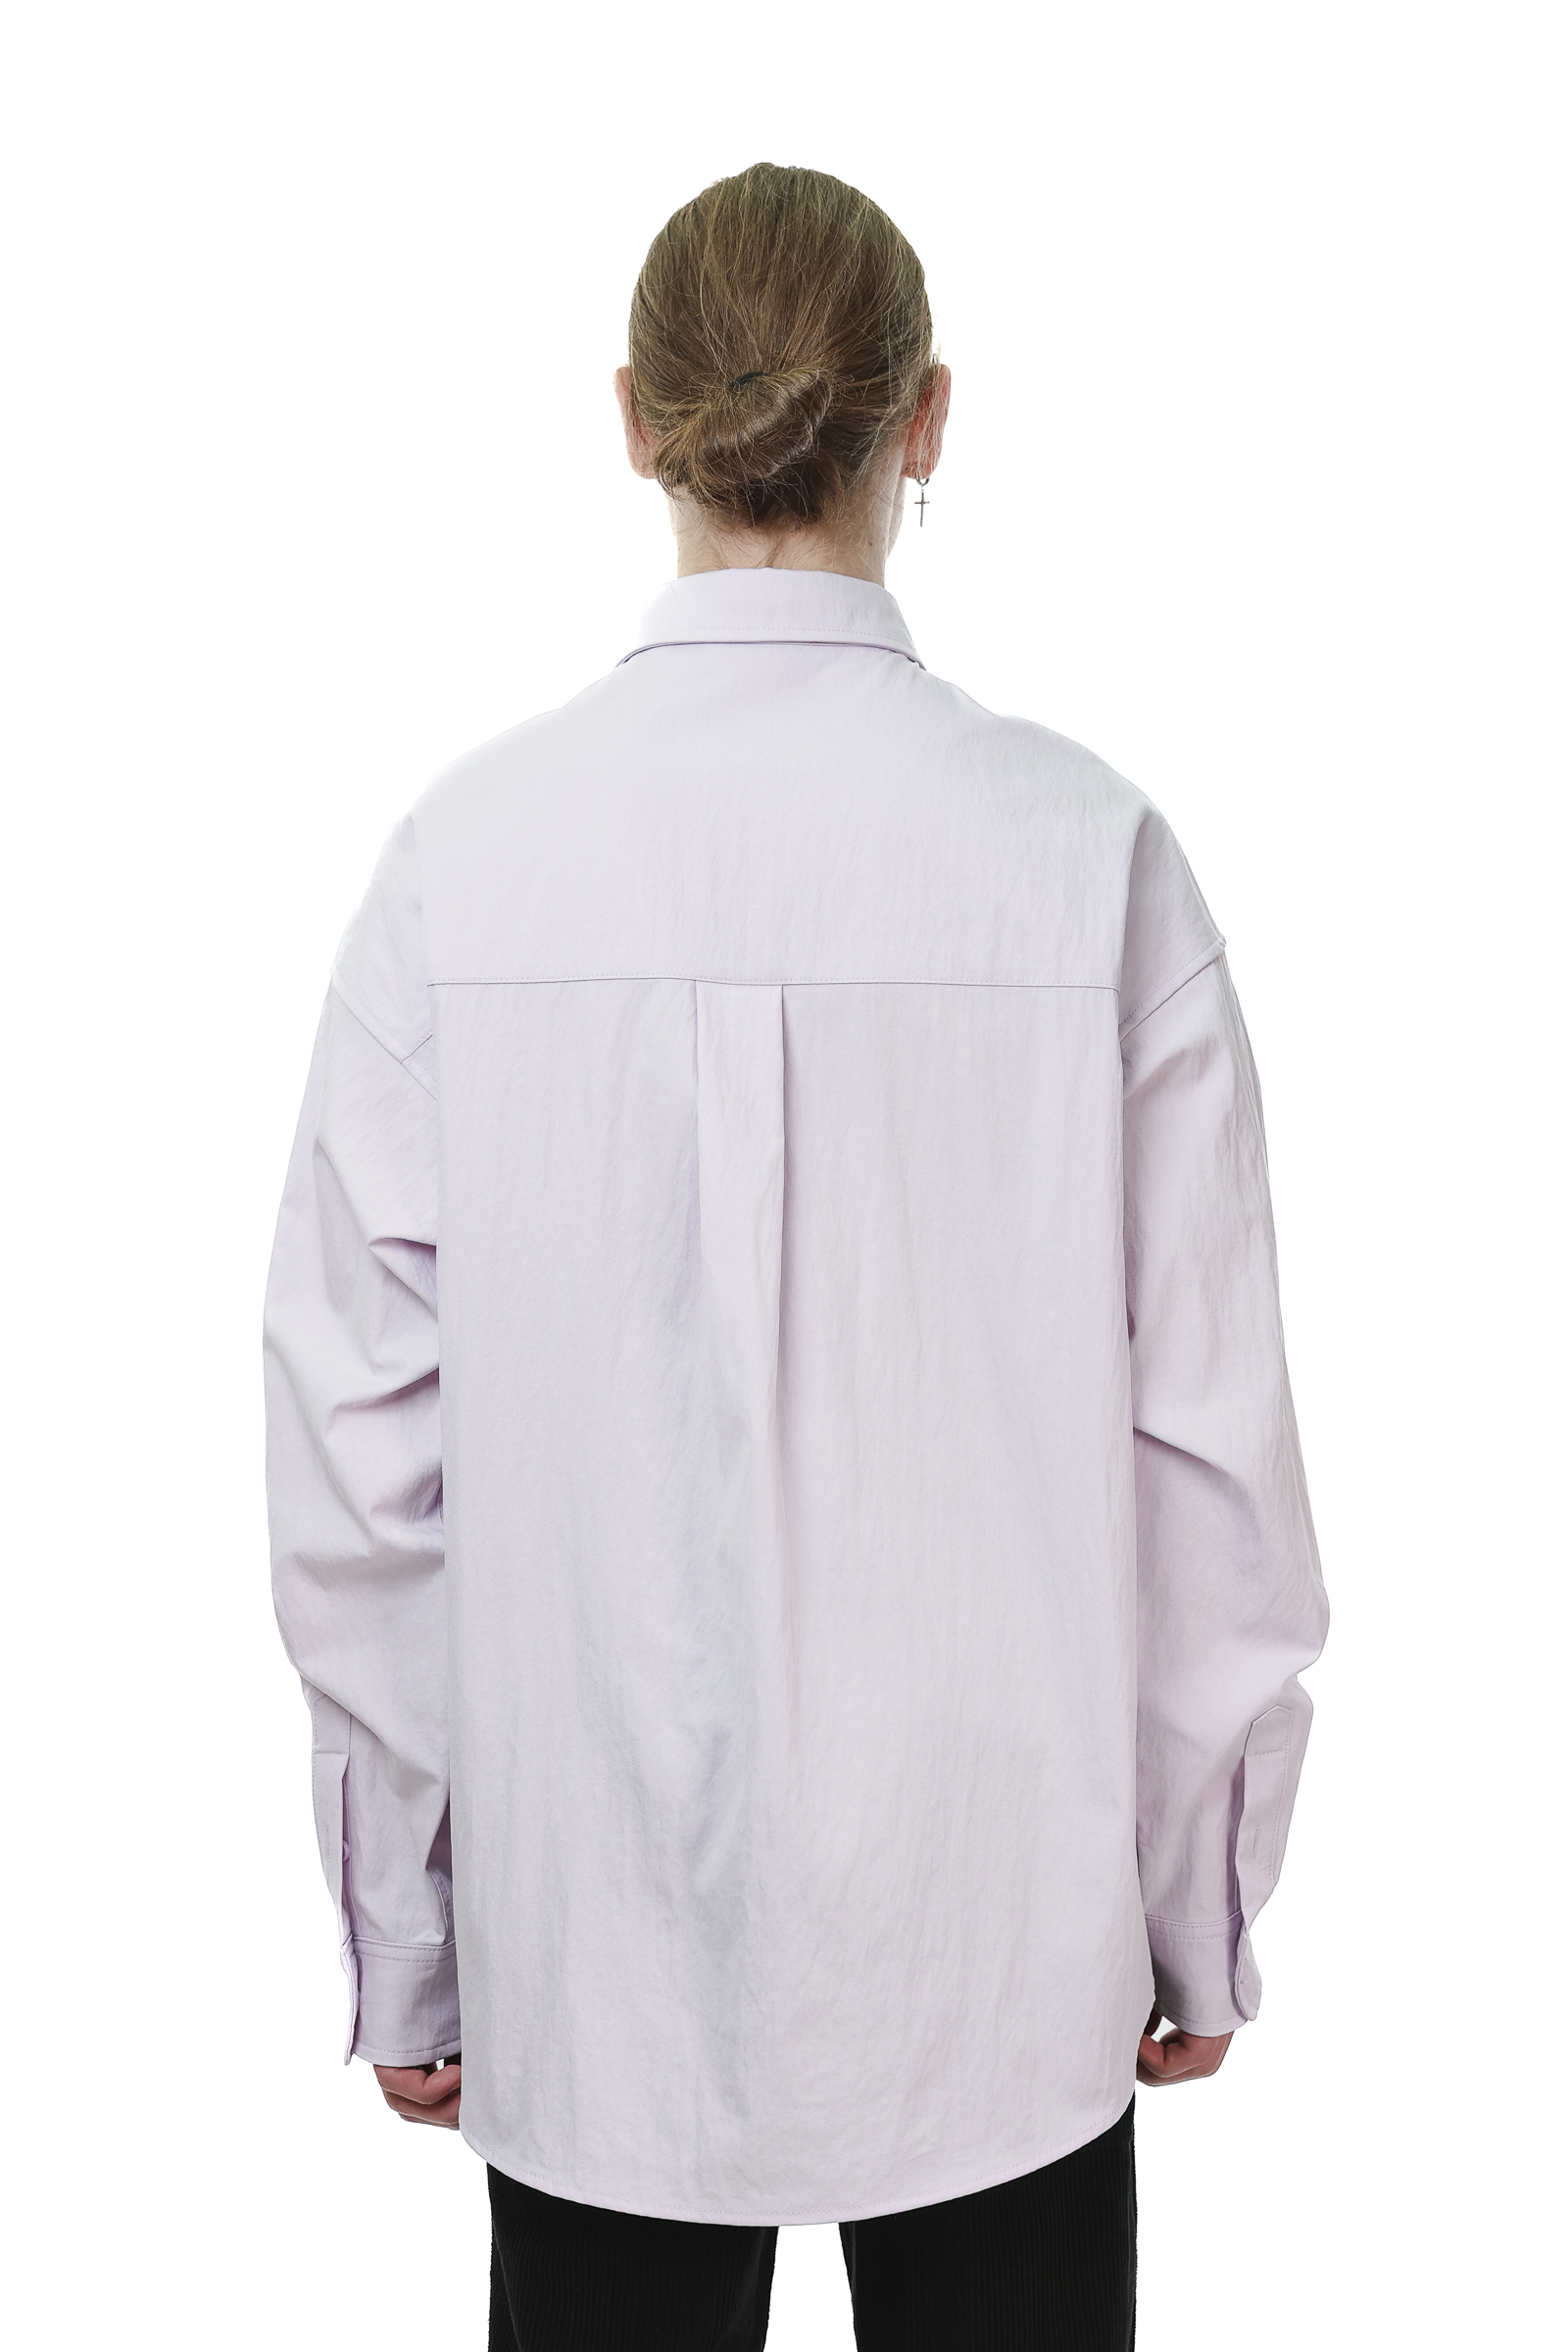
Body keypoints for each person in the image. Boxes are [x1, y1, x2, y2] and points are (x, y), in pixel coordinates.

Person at [264, 162, 1328, 2351]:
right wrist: (1200, 1904)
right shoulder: (1090, 859)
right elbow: (1209, 1462)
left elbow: (359, 1474)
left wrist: (411, 1937)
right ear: (925, 417)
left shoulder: (462, 867)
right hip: (1004, 1960)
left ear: (630, 421)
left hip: (597, 1962)